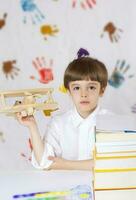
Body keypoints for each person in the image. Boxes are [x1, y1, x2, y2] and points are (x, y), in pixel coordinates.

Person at [16, 53, 108, 171]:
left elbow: (112, 162)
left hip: (102, 188)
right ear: (69, 92)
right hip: (65, 187)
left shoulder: (112, 122)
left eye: (91, 87)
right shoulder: (58, 123)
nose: (84, 94)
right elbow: (44, 162)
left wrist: (63, 164)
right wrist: (32, 126)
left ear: (102, 90)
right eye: (76, 88)